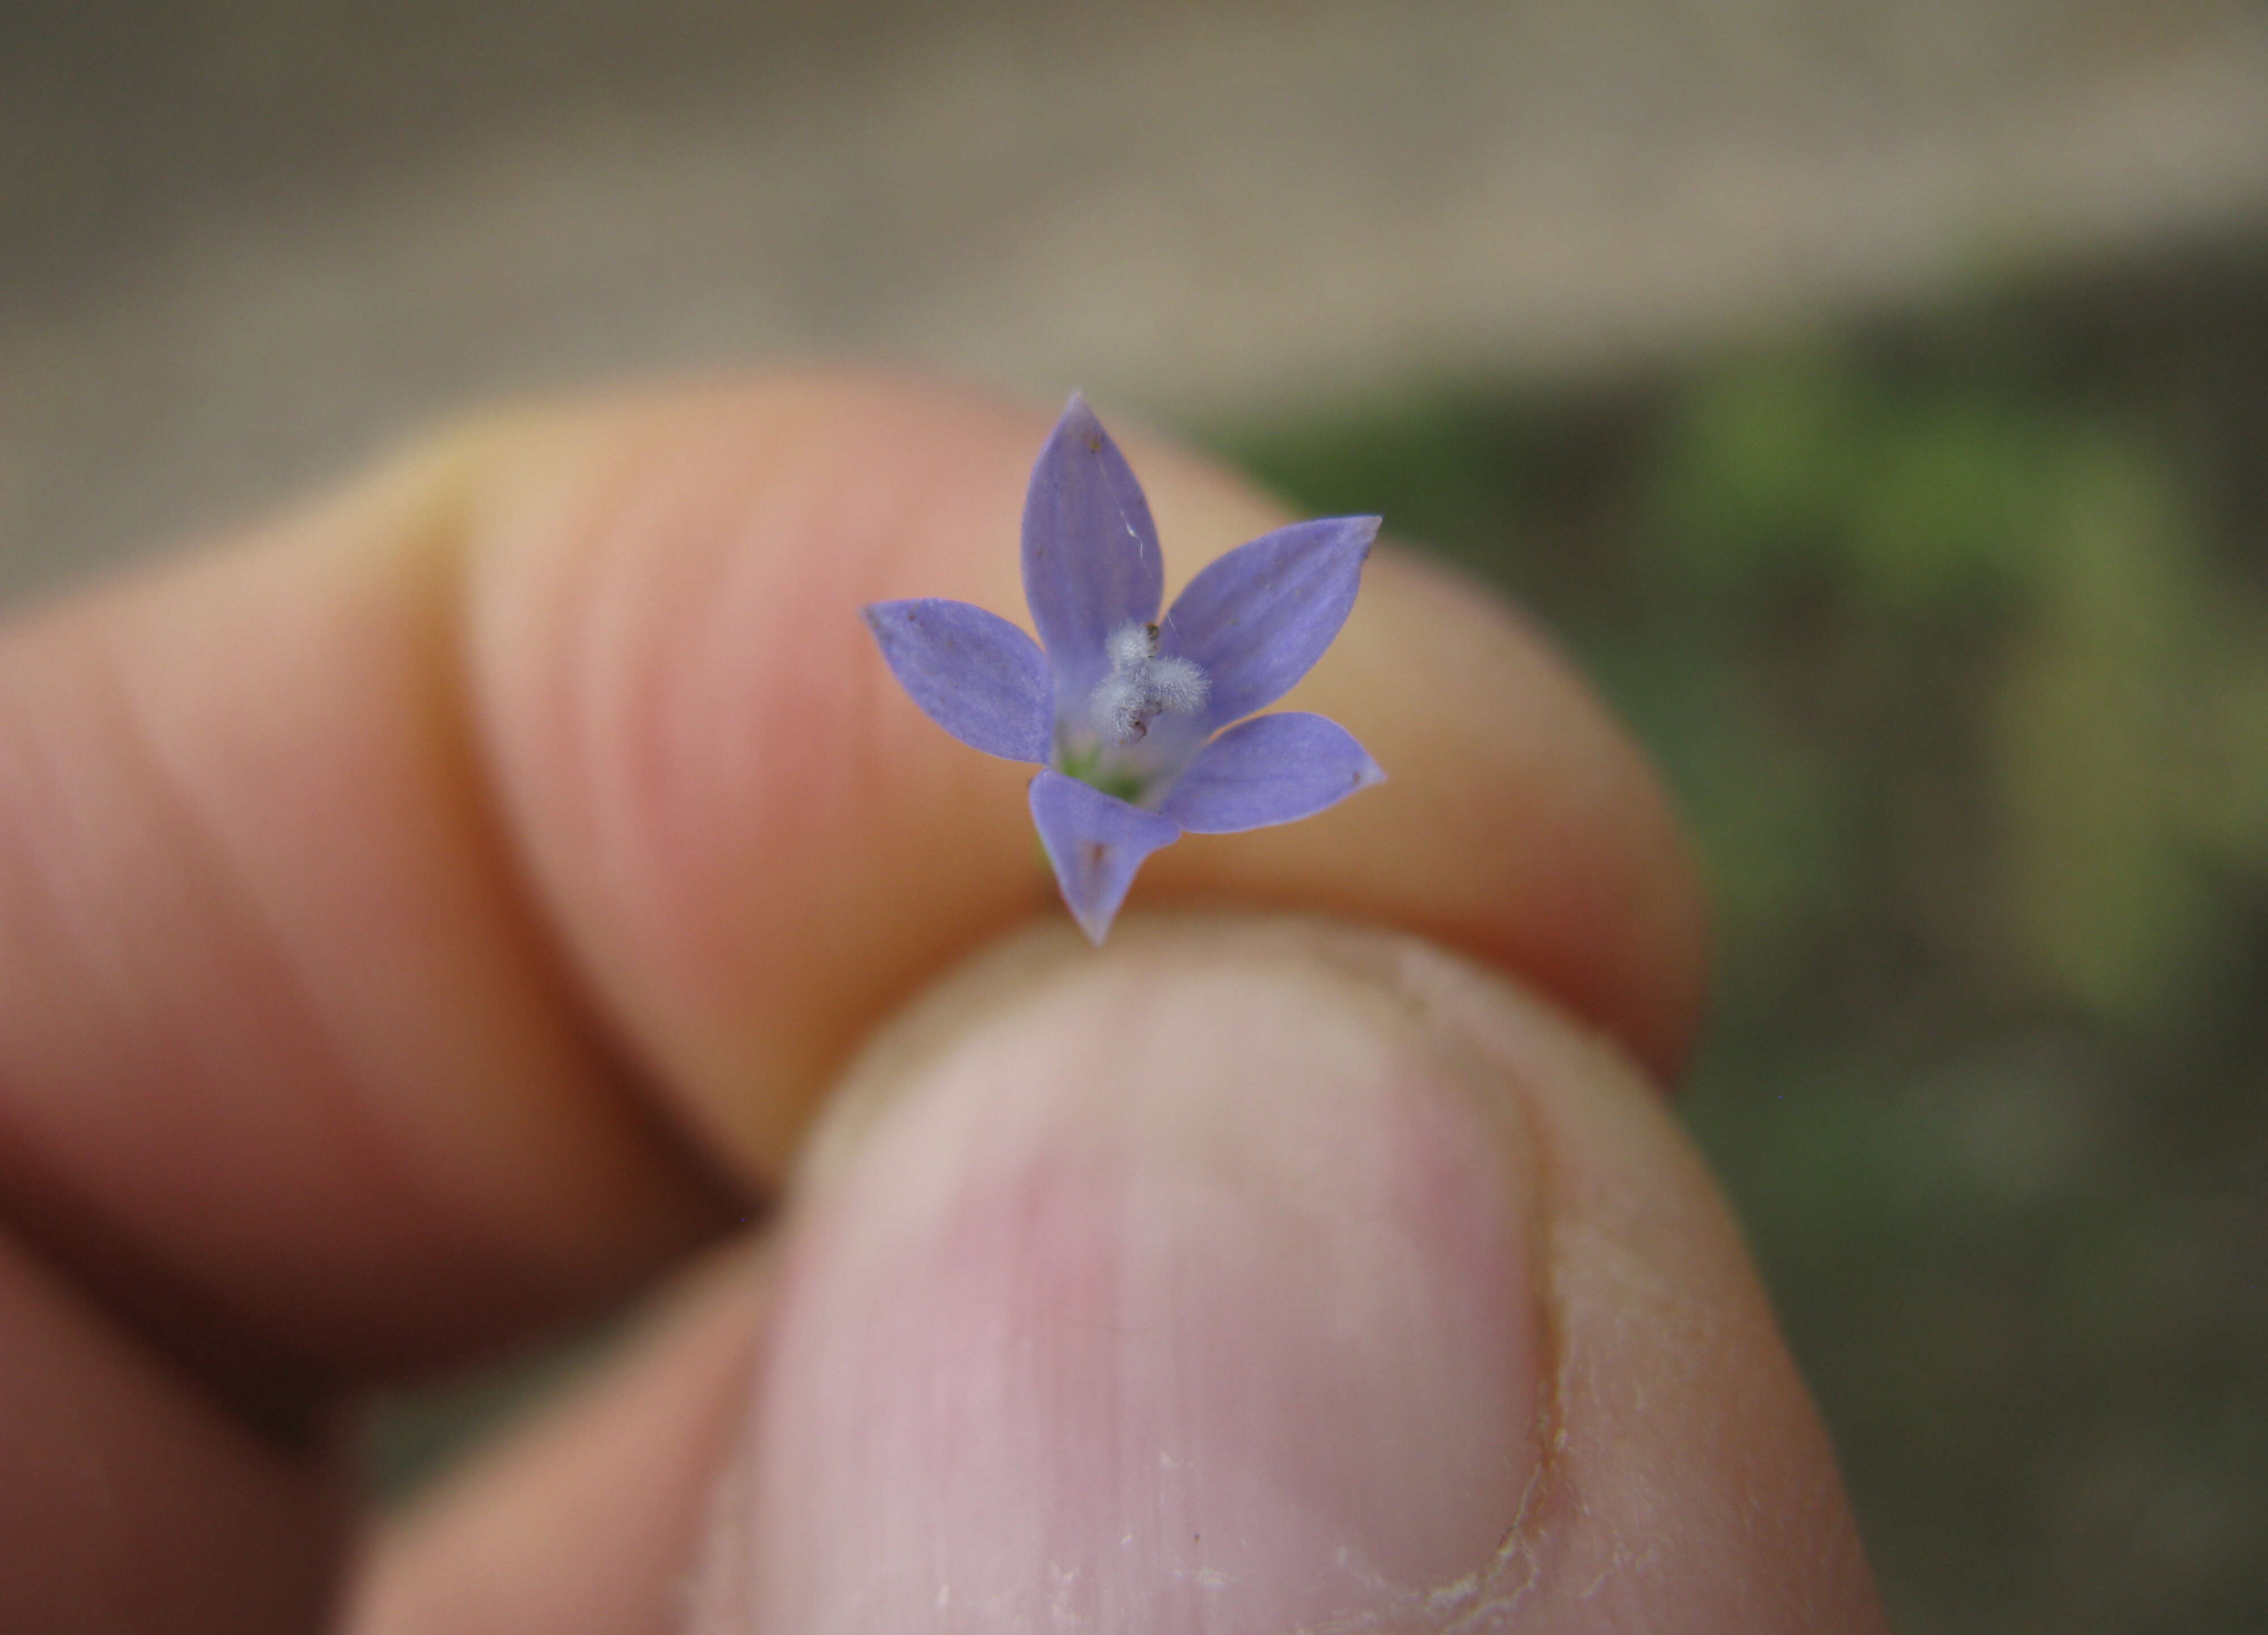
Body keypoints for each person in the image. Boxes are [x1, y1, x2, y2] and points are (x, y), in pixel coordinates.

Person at [0, 373, 1888, 1632]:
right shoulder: (1026, 716)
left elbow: (1280, 701)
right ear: (1045, 682)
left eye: (1163, 691)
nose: (1145, 689)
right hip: (1085, 836)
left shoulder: (1235, 737)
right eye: (1121, 688)